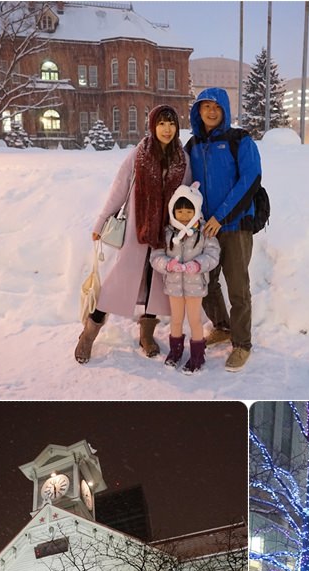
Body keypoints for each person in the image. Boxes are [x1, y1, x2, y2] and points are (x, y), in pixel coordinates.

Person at [78, 104, 190, 364]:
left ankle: (146, 336)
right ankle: (89, 333)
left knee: (156, 285)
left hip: (166, 232)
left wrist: (185, 230)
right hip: (135, 230)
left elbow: (187, 199)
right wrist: (101, 221)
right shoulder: (139, 153)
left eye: (171, 124)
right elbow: (119, 189)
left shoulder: (182, 159)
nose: (166, 129)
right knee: (119, 280)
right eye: (161, 123)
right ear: (153, 125)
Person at [186, 88, 262, 372]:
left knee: (238, 288)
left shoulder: (239, 140)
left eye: (217, 106)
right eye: (206, 106)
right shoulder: (192, 145)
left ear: (225, 110)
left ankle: (242, 344)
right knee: (204, 284)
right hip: (205, 229)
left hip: (235, 226)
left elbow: (251, 179)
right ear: (198, 111)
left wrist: (220, 216)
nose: (211, 111)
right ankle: (222, 327)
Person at [150, 183, 221, 373]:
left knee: (195, 320)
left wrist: (197, 265)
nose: (183, 216)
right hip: (173, 286)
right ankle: (176, 352)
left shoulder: (204, 232)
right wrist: (167, 265)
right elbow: (155, 256)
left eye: (188, 211)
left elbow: (213, 255)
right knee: (176, 320)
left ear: (196, 211)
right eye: (179, 212)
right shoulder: (167, 233)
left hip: (196, 286)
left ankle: (198, 355)